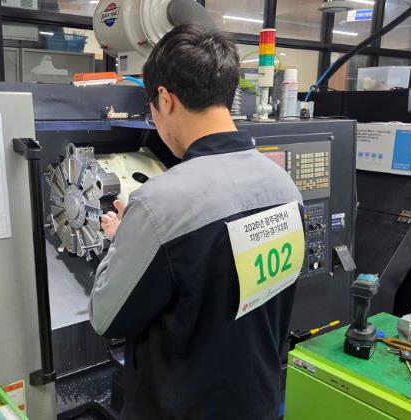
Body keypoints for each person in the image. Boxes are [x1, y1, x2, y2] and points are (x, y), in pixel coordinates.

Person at [89, 24, 304, 419]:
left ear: (165, 100)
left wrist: (123, 241)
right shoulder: (285, 187)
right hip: (258, 401)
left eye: (152, 111)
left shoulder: (159, 205)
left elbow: (106, 317)